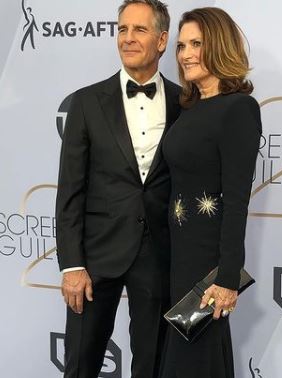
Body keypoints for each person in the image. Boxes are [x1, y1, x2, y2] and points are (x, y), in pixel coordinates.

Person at [55, 1, 180, 377]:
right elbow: (70, 190)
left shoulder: (184, 102)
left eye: (139, 30)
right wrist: (72, 265)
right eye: (122, 29)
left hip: (159, 255)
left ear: (161, 40)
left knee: (153, 363)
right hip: (94, 259)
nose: (127, 38)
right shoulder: (86, 101)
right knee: (80, 362)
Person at [160, 7, 262, 378]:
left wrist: (227, 278)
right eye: (181, 45)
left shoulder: (239, 109)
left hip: (208, 268)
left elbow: (237, 199)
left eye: (196, 44)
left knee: (194, 361)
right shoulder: (188, 109)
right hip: (177, 258)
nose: (185, 54)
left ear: (218, 45)